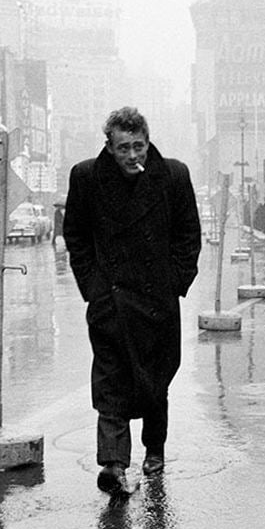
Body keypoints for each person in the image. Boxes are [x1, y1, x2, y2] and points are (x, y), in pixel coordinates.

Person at [64, 107, 202, 495]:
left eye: (138, 146)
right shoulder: (87, 177)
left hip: (157, 301)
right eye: (123, 148)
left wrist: (175, 280)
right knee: (110, 382)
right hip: (110, 299)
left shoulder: (173, 176)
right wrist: (92, 286)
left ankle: (154, 449)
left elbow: (189, 234)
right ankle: (113, 464)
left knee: (156, 380)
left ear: (147, 140)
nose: (132, 156)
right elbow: (75, 235)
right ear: (109, 146)